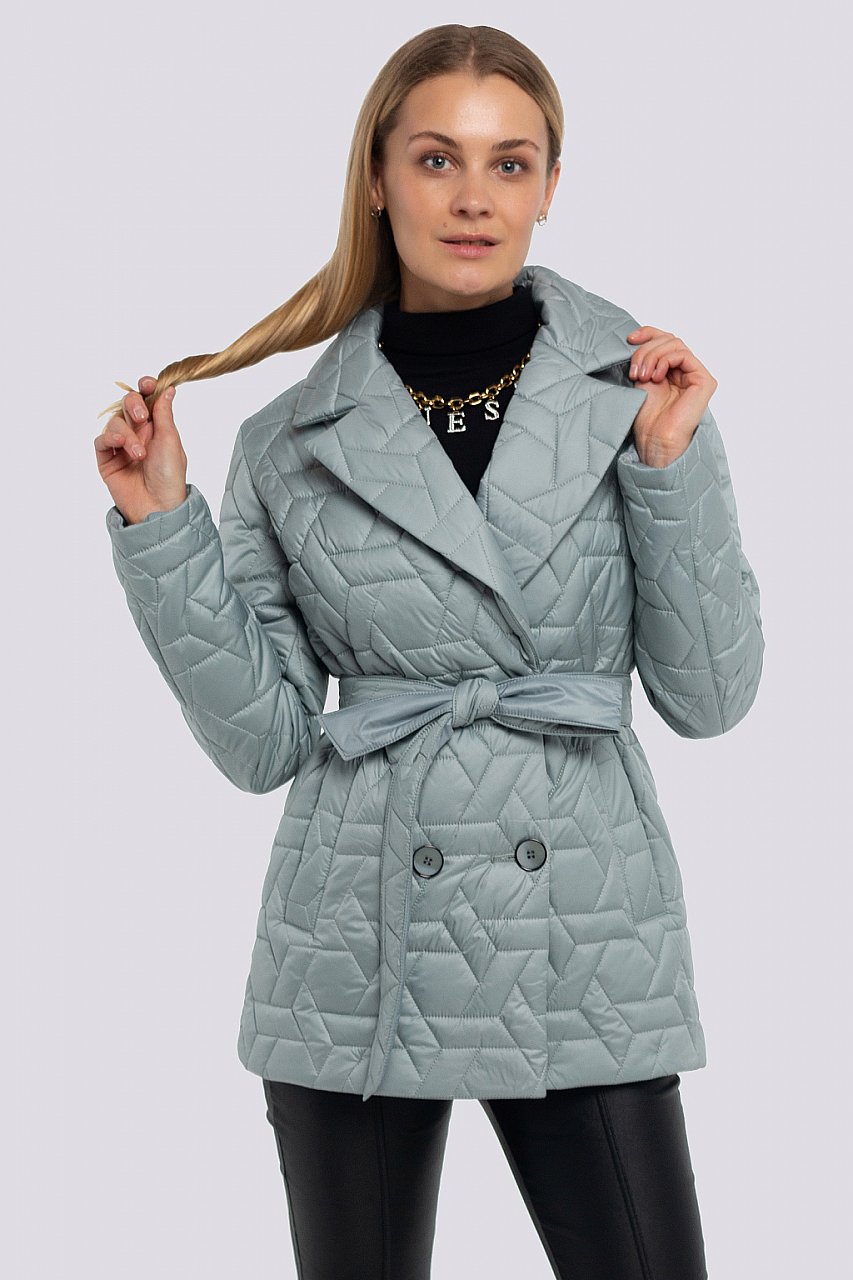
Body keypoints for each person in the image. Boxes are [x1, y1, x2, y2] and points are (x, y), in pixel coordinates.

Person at [95, 23, 764, 1280]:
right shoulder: (289, 436)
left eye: (510, 163)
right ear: (376, 177)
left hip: (582, 935)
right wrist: (160, 525)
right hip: (354, 942)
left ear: (550, 186)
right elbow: (266, 743)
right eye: (436, 158)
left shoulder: (641, 392)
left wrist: (671, 469)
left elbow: (711, 696)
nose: (472, 197)